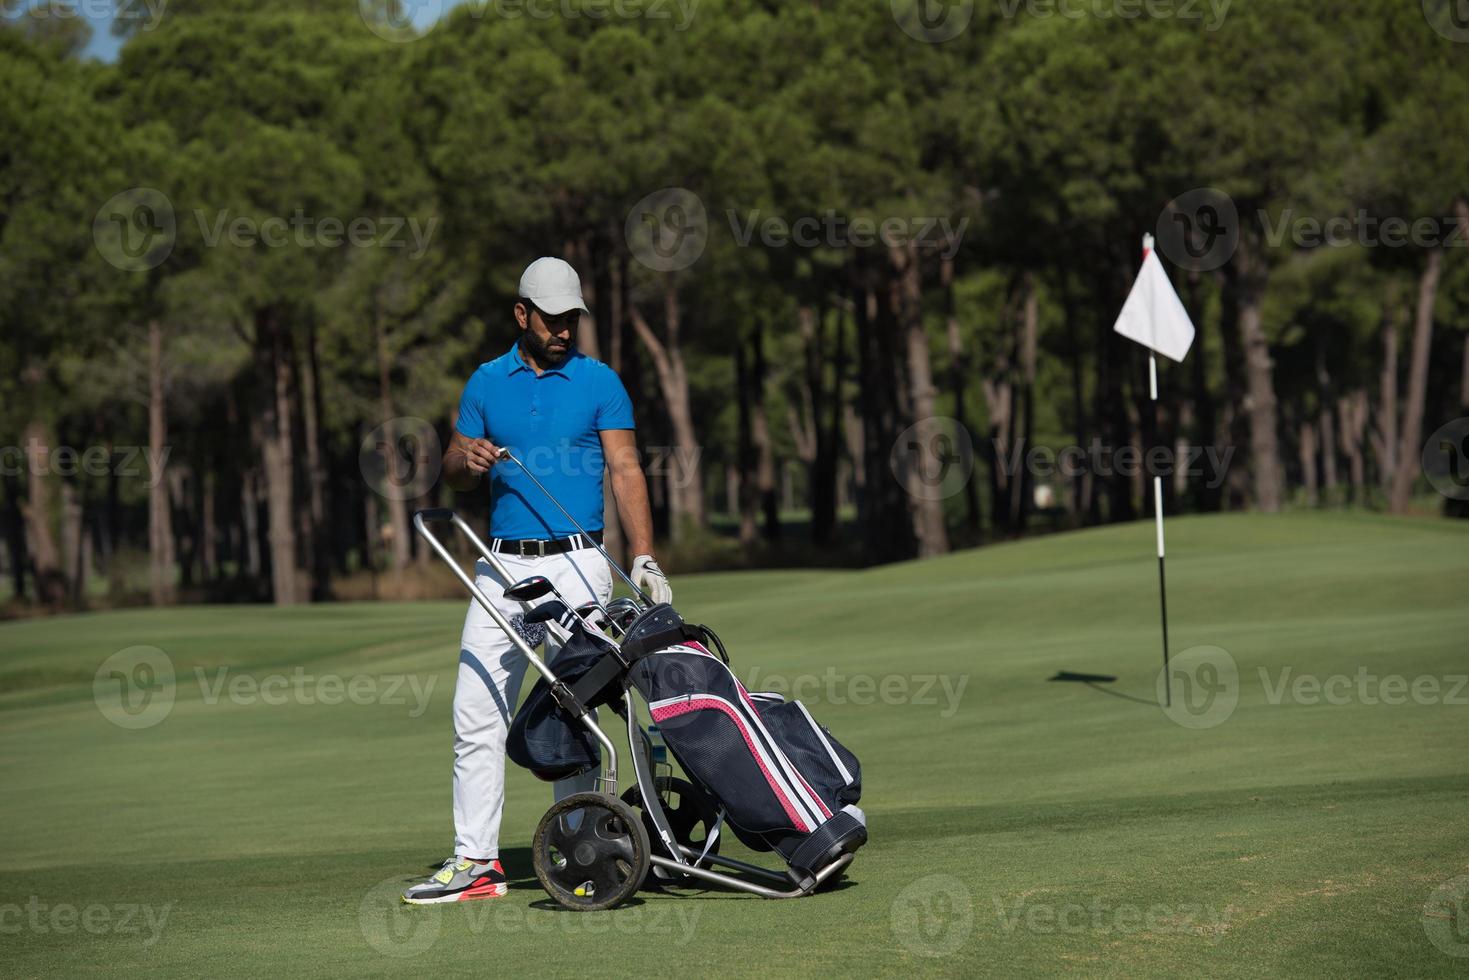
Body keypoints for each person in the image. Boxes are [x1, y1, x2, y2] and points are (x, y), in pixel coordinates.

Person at [402, 257, 672, 904]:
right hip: (501, 563)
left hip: (578, 561)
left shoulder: (599, 380)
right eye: (551, 319)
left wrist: (644, 556)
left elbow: (626, 468)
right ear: (521, 314)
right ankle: (477, 863)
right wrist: (461, 459)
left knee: (572, 712)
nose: (562, 330)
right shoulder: (485, 382)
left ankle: (580, 852)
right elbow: (456, 469)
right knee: (475, 710)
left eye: (570, 319)